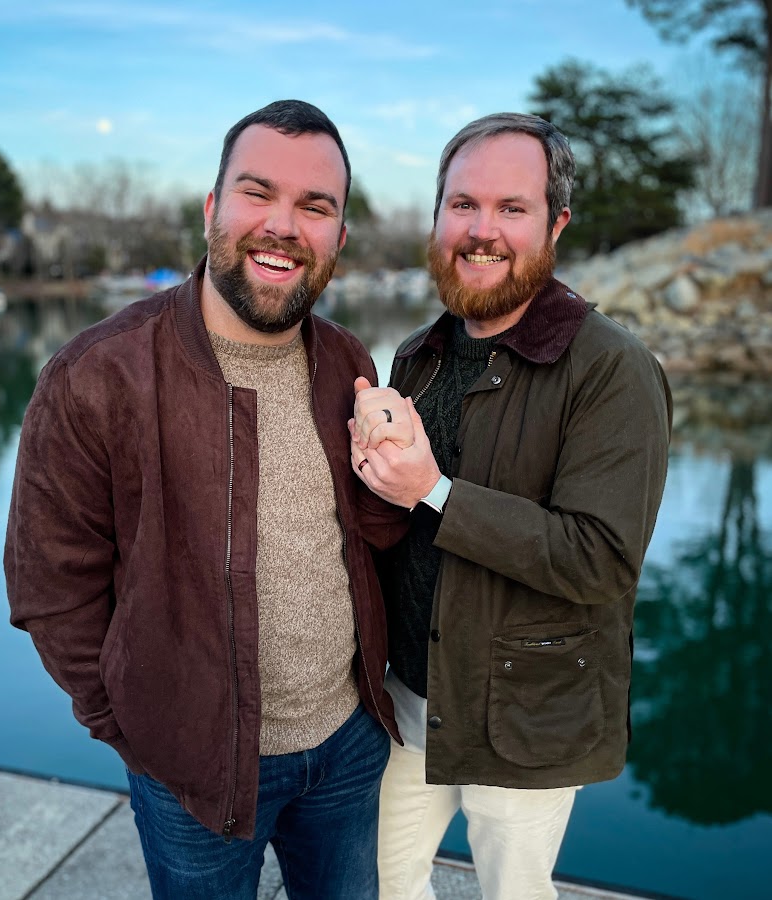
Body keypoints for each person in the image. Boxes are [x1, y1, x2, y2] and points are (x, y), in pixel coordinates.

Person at [4, 99, 406, 900]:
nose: (282, 225)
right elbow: (49, 587)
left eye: (315, 206)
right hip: (190, 772)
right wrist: (138, 732)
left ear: (340, 237)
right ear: (213, 208)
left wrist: (400, 482)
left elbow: (370, 537)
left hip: (348, 745)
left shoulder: (347, 360)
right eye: (258, 193)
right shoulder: (96, 375)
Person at [350, 112, 672, 900]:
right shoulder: (417, 354)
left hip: (528, 715)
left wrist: (433, 490)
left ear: (555, 224)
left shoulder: (613, 369)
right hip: (409, 697)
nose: (482, 230)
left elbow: (599, 559)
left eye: (511, 208)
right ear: (437, 217)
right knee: (379, 885)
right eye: (463, 204)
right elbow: (394, 526)